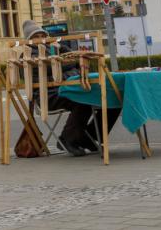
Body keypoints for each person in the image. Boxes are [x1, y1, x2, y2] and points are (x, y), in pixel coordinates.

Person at [22, 20, 119, 158]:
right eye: (36, 37)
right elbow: (52, 68)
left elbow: (76, 58)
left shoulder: (54, 47)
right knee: (82, 99)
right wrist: (69, 64)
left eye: (42, 35)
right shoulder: (28, 55)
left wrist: (62, 51)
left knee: (112, 99)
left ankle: (88, 138)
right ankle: (68, 139)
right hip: (48, 95)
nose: (40, 39)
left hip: (71, 88)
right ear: (29, 40)